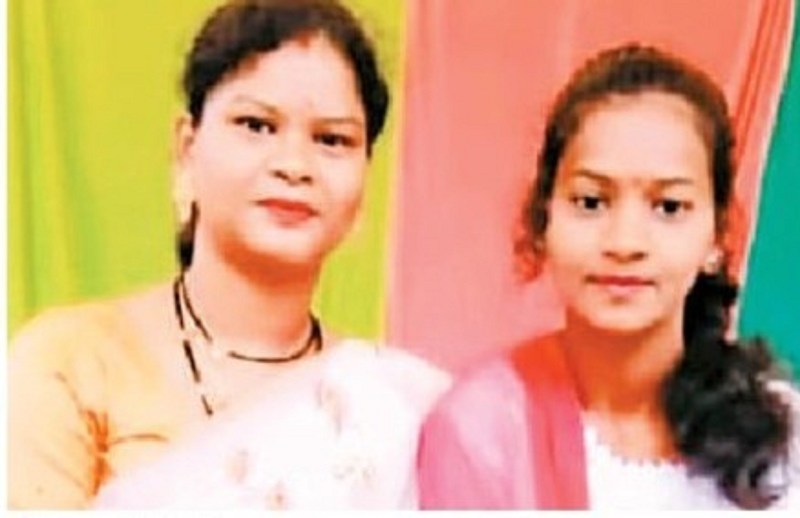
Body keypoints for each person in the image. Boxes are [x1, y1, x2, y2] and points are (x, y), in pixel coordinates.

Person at [8, 0, 448, 509]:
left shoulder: (389, 407)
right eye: (256, 125)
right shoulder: (72, 364)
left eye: (332, 139)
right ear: (186, 148)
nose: (294, 165)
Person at [417, 43, 800, 510]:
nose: (625, 242)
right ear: (543, 218)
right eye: (591, 202)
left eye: (669, 207)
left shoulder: (781, 433)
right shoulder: (481, 430)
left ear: (716, 238)